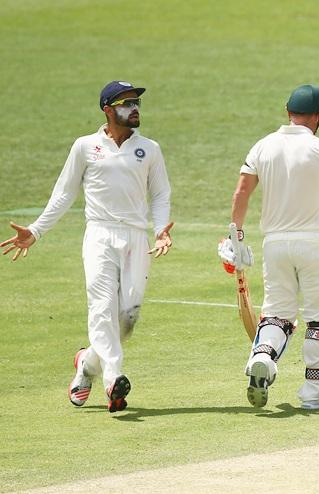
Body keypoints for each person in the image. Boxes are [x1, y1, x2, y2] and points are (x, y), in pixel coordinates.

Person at [0, 81, 174, 413]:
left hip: (136, 238)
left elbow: (161, 194)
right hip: (99, 235)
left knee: (126, 319)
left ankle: (87, 363)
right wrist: (36, 231)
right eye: (127, 103)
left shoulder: (149, 148)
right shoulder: (85, 146)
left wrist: (161, 231)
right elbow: (64, 194)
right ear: (108, 110)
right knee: (101, 308)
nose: (135, 108)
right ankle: (113, 378)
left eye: (137, 102)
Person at [218, 84, 319, 409]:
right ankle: (314, 393)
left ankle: (263, 356)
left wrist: (236, 237)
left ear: (288, 111)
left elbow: (241, 193)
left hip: (274, 245)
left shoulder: (262, 146)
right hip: (315, 243)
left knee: (277, 314)